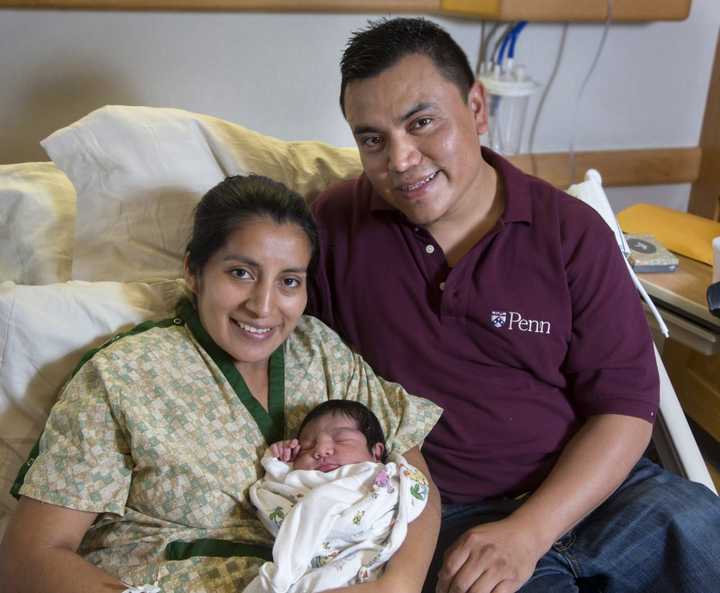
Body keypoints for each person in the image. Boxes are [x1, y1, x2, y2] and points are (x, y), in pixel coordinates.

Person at [308, 16, 720, 593]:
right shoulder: (333, 229)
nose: (400, 160)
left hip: (601, 493)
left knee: (704, 527)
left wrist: (529, 532)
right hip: (451, 516)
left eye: (422, 123)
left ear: (477, 108)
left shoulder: (571, 233)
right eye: (372, 139)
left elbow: (626, 410)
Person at [0, 175, 442, 593]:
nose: (263, 306)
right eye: (241, 273)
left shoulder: (321, 352)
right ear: (194, 271)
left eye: (289, 281)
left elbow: (412, 476)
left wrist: (397, 585)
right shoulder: (126, 374)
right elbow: (28, 558)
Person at [245, 400, 430, 593]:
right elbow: (270, 496)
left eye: (341, 440)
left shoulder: (380, 476)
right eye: (307, 447)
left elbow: (414, 494)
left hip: (367, 564)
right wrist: (278, 461)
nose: (320, 450)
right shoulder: (299, 479)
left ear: (376, 452)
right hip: (310, 571)